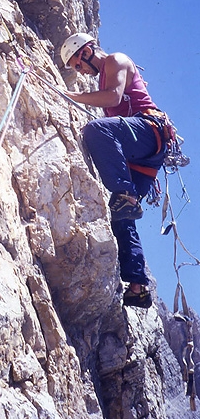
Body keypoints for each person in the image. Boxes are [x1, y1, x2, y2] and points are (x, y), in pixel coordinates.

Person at [60, 32, 168, 308]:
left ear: (85, 52)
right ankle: (138, 286)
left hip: (148, 130)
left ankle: (126, 193)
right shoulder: (101, 76)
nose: (80, 71)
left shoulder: (115, 61)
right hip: (143, 154)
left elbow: (113, 97)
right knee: (120, 214)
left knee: (95, 129)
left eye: (77, 64)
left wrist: (72, 95)